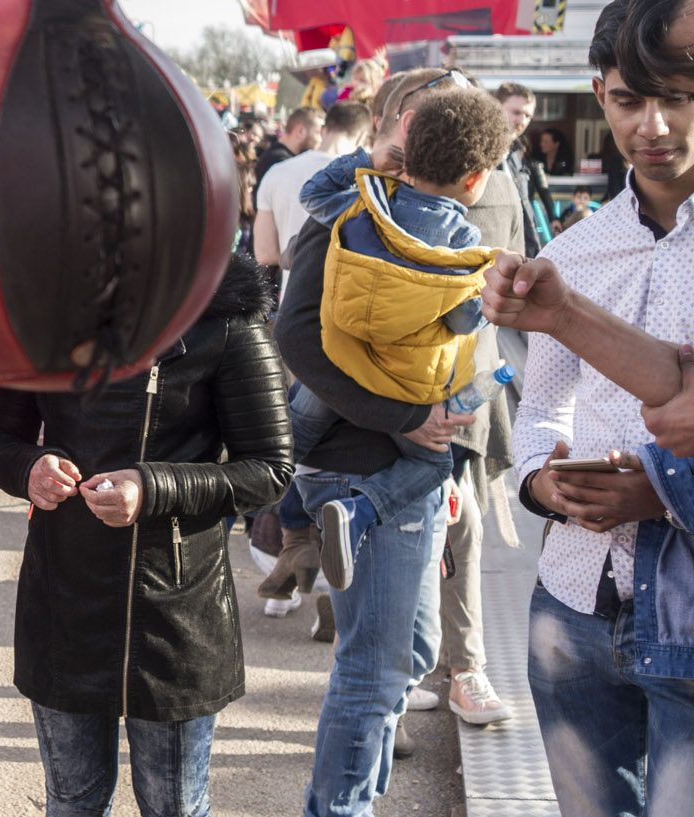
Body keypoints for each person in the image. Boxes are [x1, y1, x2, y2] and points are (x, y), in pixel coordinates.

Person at [0, 255, 292, 817]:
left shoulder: (227, 317)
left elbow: (269, 468)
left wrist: (153, 488)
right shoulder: (41, 315)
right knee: (73, 801)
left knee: (174, 806)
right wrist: (29, 468)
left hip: (177, 611)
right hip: (64, 597)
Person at [476, 1, 694, 810]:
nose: (655, 124)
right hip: (573, 596)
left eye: (678, 96)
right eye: (632, 98)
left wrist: (657, 489)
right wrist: (544, 483)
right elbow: (543, 407)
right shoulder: (574, 250)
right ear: (599, 95)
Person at [273, 67, 477, 817]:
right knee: (376, 664)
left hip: (406, 470)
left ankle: (350, 794)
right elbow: (296, 336)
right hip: (362, 468)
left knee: (411, 653)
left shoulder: (408, 208)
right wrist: (405, 420)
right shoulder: (353, 209)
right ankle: (339, 807)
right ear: (402, 120)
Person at [289, 85, 514, 584]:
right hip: (405, 388)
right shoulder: (462, 245)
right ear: (474, 180)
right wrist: (483, 309)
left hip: (341, 353)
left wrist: (366, 159)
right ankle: (361, 513)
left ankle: (265, 491)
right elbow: (459, 321)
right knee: (435, 467)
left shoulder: (362, 206)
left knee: (293, 425)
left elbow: (313, 195)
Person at [254, 101, 373, 271]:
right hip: (340, 291)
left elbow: (264, 254)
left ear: (324, 130)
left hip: (291, 291)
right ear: (361, 137)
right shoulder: (364, 181)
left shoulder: (276, 172)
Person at [495, 82, 558, 254]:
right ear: (496, 107)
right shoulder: (479, 151)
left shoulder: (516, 154)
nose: (521, 121)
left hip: (519, 253)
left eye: (527, 115)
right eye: (516, 112)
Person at [253, 105, 322, 202]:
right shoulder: (280, 161)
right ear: (300, 131)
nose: (321, 140)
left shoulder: (277, 156)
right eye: (319, 133)